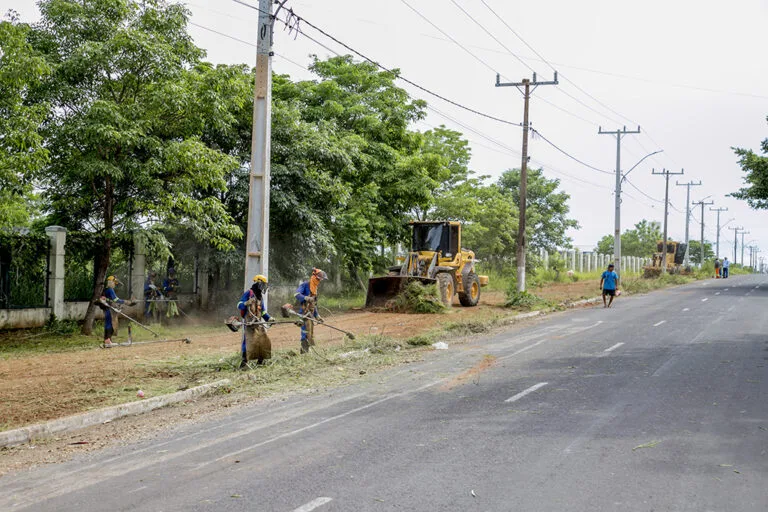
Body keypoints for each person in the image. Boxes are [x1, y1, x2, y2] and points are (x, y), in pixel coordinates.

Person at [237, 275, 273, 368]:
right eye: (263, 285)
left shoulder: (260, 297)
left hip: (258, 323)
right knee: (249, 341)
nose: (264, 287)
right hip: (249, 323)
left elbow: (263, 311)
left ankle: (260, 362)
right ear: (259, 283)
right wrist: (245, 303)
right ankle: (244, 363)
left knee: (264, 340)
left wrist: (269, 318)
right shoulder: (249, 293)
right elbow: (239, 304)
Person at [294, 268, 327, 353]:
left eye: (321, 279)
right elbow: (296, 294)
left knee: (310, 333)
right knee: (304, 332)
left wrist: (317, 316)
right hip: (303, 313)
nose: (320, 281)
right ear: (314, 276)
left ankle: (306, 351)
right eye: (319, 278)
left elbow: (313, 304)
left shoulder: (315, 288)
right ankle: (304, 352)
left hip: (310, 314)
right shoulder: (305, 285)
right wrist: (305, 297)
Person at [100, 275, 125, 348]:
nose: (115, 284)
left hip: (107, 308)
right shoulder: (110, 289)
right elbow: (115, 299)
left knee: (108, 323)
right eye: (114, 282)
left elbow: (110, 299)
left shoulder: (106, 289)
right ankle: (108, 340)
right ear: (112, 282)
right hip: (109, 309)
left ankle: (107, 340)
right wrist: (125, 301)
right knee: (110, 324)